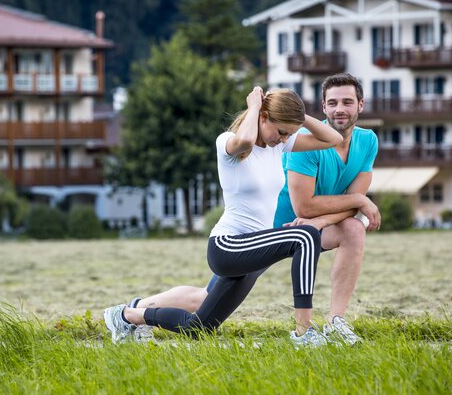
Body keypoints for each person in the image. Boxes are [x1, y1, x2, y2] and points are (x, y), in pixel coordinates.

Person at [123, 73, 380, 346]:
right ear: (263, 117)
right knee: (305, 236)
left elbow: (331, 138)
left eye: (288, 134)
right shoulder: (228, 143)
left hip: (256, 244)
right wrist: (256, 105)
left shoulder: (277, 147)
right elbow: (245, 140)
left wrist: (295, 115)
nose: (283, 139)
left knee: (199, 325)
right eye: (280, 131)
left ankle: (129, 314)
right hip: (227, 246)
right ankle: (304, 333)